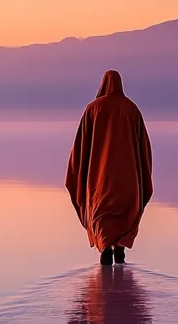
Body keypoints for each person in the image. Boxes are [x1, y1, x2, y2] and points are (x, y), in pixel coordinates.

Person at [65, 70, 153, 265]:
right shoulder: (132, 109)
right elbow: (143, 148)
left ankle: (105, 249)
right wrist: (142, 177)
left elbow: (81, 147)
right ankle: (120, 248)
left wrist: (79, 174)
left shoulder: (93, 109)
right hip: (128, 181)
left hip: (100, 180)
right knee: (124, 215)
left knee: (101, 214)